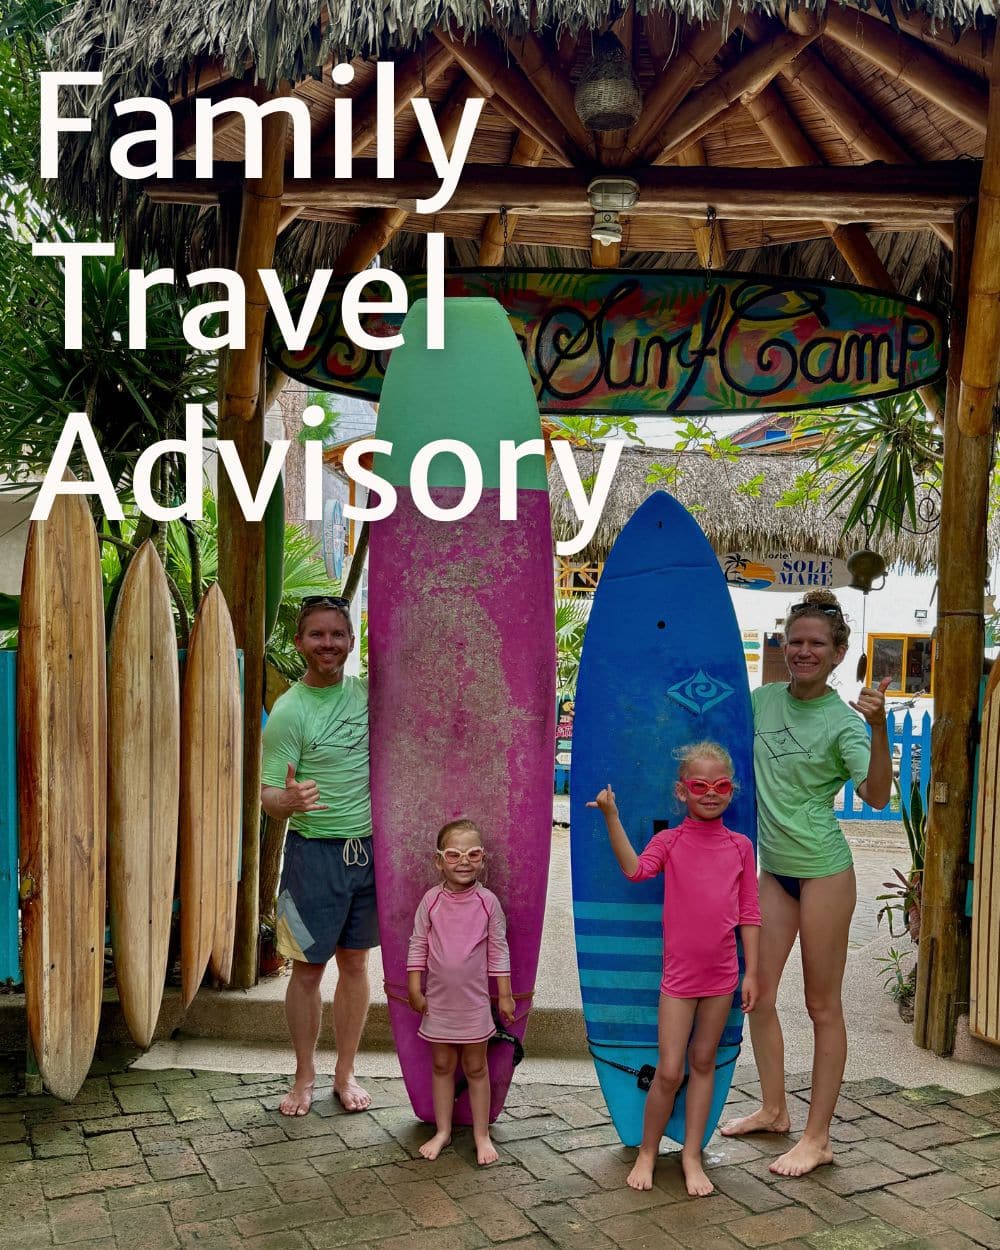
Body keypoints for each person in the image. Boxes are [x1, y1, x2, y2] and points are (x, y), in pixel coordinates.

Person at [721, 589, 891, 1177]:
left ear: (838, 653)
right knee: (757, 993)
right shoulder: (763, 701)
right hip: (775, 871)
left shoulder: (844, 723)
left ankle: (818, 1138)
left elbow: (876, 795)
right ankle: (774, 1109)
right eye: (795, 640)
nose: (803, 651)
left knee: (821, 1005)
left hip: (823, 872)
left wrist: (878, 726)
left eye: (817, 643)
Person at [588, 742, 760, 1196]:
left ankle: (691, 1156)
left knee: (703, 1062)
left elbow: (749, 913)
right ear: (682, 791)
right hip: (680, 981)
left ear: (732, 790)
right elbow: (635, 871)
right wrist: (611, 816)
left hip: (722, 978)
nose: (711, 793)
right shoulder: (671, 841)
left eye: (721, 785)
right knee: (669, 1071)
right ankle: (647, 1151)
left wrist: (753, 973)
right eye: (700, 786)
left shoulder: (740, 846)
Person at [260, 595, 375, 1117]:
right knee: (307, 971)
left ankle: (344, 1074)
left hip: (367, 853)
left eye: (336, 634)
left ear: (350, 641)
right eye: (316, 635)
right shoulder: (290, 711)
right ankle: (303, 1076)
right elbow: (268, 797)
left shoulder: (368, 695)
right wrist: (287, 801)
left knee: (356, 964)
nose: (327, 643)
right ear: (300, 643)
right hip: (312, 856)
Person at [407, 818, 515, 1166]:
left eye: (473, 854)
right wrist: (414, 986)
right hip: (439, 1003)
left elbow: (498, 948)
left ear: (483, 859)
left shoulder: (487, 902)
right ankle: (443, 1131)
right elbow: (418, 943)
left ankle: (482, 1134)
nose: (464, 861)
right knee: (441, 1064)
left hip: (474, 1005)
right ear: (439, 861)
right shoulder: (430, 901)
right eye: (454, 854)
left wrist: (505, 994)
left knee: (476, 1066)